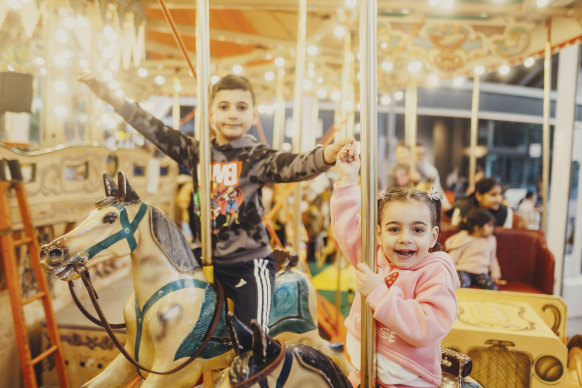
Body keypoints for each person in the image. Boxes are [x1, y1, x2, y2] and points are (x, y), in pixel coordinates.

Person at [78, 72, 354, 331]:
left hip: (248, 261)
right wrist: (111, 98)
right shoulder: (197, 153)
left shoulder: (257, 156)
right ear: (210, 114)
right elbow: (155, 130)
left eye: (241, 107)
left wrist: (326, 155)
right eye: (224, 107)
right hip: (203, 256)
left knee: (253, 337)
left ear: (254, 115)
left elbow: (293, 165)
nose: (232, 114)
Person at [331, 143, 459, 388]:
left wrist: (379, 294)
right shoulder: (372, 256)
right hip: (363, 372)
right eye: (394, 229)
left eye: (417, 230)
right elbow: (346, 227)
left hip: (408, 381)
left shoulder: (435, 273)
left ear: (432, 237)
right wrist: (348, 179)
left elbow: (426, 326)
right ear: (378, 234)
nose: (405, 238)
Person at [444, 208, 505, 290]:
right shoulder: (464, 238)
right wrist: (445, 274)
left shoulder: (491, 240)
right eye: (489, 225)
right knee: (462, 285)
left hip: (481, 272)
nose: (493, 228)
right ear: (477, 227)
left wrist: (496, 276)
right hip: (463, 270)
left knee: (492, 287)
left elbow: (493, 258)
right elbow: (453, 257)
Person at [415, 143, 451, 210]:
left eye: (423, 153)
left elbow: (437, 189)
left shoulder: (431, 170)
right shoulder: (408, 169)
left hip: (427, 203)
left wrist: (445, 204)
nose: (421, 156)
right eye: (418, 154)